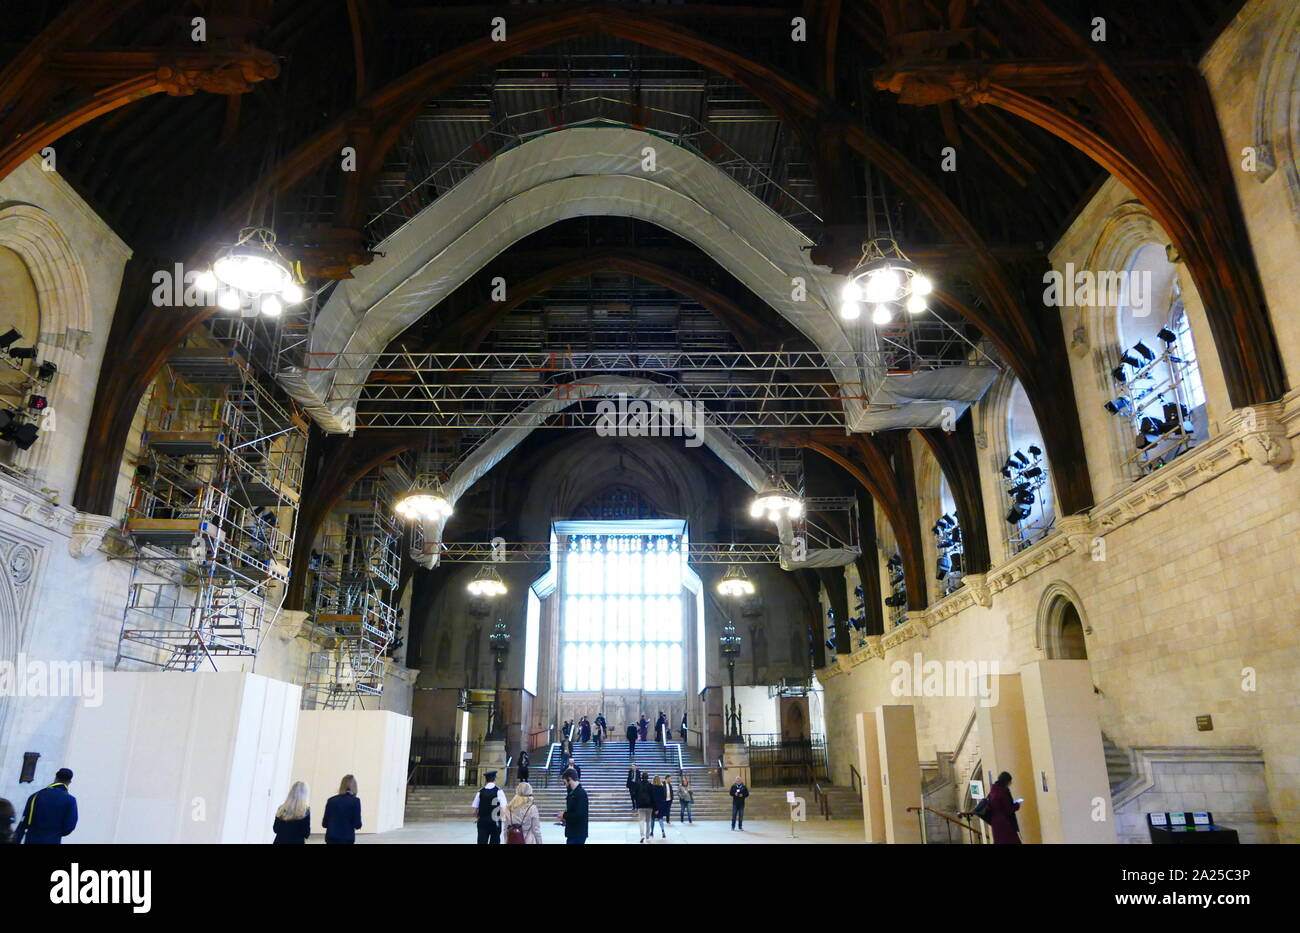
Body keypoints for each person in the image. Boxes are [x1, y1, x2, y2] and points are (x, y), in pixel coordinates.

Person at [14, 767, 77, 844]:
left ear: (56, 778)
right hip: (53, 839)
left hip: (32, 839)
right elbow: (69, 826)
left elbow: (23, 823)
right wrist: (56, 833)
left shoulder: (36, 795)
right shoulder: (70, 800)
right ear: (69, 782)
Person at [472, 769, 509, 845]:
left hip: (482, 821)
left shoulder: (480, 792)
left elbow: (474, 810)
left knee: (482, 841)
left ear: (486, 780)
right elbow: (504, 808)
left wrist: (478, 817)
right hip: (495, 821)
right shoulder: (499, 791)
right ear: (495, 779)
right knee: (495, 841)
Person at [984, 771, 1022, 844]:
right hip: (1005, 823)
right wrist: (1017, 804)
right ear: (1006, 781)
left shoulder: (993, 791)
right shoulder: (1003, 792)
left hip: (995, 823)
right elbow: (1009, 809)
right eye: (1010, 782)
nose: (1010, 783)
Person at [323, 774, 363, 844]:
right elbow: (357, 824)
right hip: (347, 839)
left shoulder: (331, 800)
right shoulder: (355, 801)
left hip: (331, 838)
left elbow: (325, 824)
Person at [562, 768, 588, 844]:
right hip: (573, 833)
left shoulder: (580, 793)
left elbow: (579, 815)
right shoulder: (573, 793)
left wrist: (564, 815)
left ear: (569, 779)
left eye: (565, 782)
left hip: (577, 834)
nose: (565, 785)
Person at [635, 771, 656, 843]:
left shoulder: (638, 784)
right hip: (649, 805)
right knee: (648, 821)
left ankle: (642, 836)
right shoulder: (650, 785)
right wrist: (655, 806)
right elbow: (653, 796)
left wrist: (637, 803)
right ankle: (647, 836)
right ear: (647, 777)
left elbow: (635, 795)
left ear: (642, 777)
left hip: (640, 805)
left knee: (641, 821)